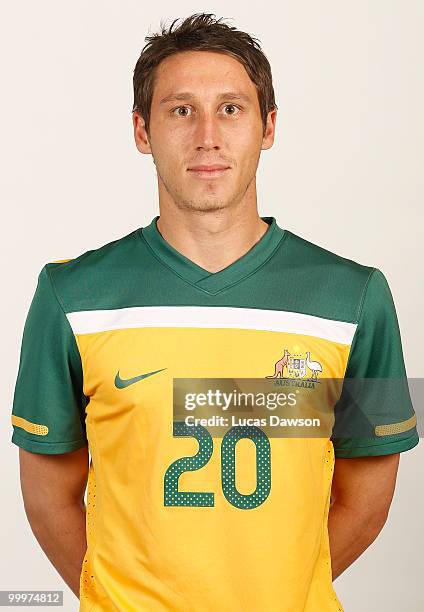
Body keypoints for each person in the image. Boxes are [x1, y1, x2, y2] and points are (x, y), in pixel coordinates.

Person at [10, 12, 419, 612]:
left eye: (231, 108)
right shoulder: (70, 296)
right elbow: (48, 496)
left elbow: (367, 497)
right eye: (180, 110)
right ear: (142, 130)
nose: (207, 135)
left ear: (268, 126)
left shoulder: (357, 298)